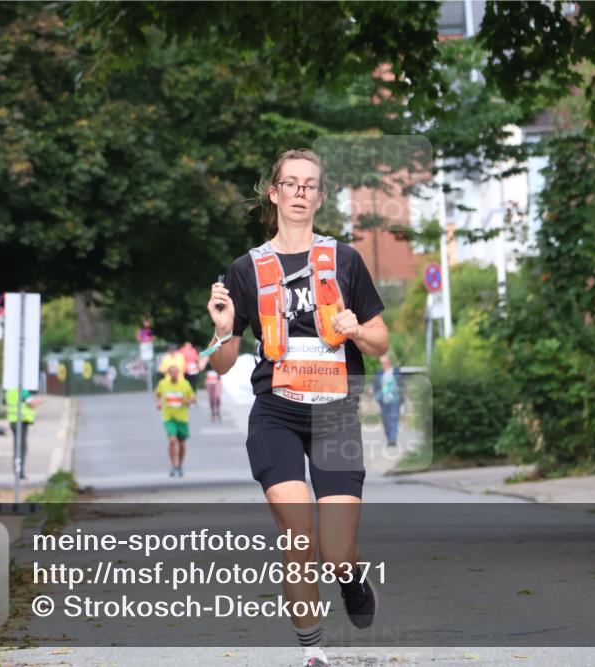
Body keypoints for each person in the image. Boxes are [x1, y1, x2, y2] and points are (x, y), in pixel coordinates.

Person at [206, 148, 388, 667]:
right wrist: (222, 329)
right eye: (291, 183)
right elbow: (223, 363)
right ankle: (313, 652)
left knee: (335, 551)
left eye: (310, 185)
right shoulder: (246, 269)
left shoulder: (345, 261)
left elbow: (380, 341)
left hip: (335, 415)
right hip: (276, 414)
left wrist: (356, 329)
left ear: (320, 196)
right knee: (298, 534)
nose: (300, 193)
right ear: (275, 192)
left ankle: (349, 575)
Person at [154, 363, 195, 477]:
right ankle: (173, 465)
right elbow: (157, 394)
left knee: (181, 444)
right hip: (169, 418)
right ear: (168, 374)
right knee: (172, 440)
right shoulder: (163, 384)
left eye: (175, 372)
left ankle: (180, 465)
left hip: (182, 419)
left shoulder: (185, 384)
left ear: (178, 373)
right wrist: (158, 403)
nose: (173, 374)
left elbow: (193, 397)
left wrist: (187, 401)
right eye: (171, 373)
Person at [5, 388, 43, 479]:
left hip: (13, 421)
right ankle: (19, 473)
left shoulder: (10, 390)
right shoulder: (23, 392)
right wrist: (39, 401)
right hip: (21, 422)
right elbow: (31, 404)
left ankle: (18, 471)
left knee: (17, 447)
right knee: (21, 448)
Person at [372, 355, 402, 447]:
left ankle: (392, 439)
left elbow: (402, 384)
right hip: (383, 401)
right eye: (382, 363)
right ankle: (389, 438)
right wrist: (375, 395)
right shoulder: (379, 374)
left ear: (389, 362)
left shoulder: (396, 372)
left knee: (393, 419)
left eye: (385, 362)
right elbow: (375, 386)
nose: (384, 364)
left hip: (395, 400)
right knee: (386, 420)